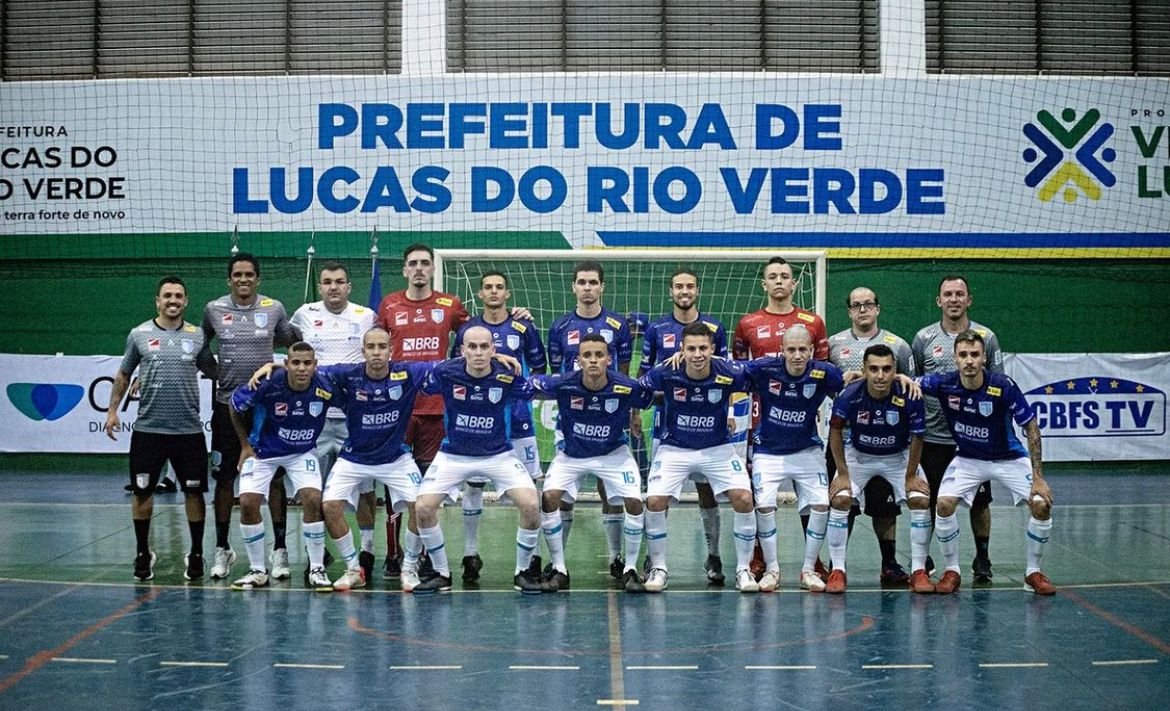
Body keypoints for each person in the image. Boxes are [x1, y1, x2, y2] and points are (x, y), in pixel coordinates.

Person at [916, 330, 1055, 595]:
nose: (969, 360)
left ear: (984, 359)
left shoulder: (1003, 385)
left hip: (1009, 458)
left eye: (975, 355)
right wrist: (861, 376)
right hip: (969, 459)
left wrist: (1038, 477)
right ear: (955, 359)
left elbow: (1031, 427)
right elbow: (900, 381)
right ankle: (952, 570)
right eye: (963, 355)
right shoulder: (943, 383)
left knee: (1041, 504)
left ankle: (1032, 572)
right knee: (943, 504)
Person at [410, 326, 544, 594]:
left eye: (485, 347)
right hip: (454, 454)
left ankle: (522, 572)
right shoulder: (447, 372)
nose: (479, 352)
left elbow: (541, 388)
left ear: (494, 350)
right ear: (463, 351)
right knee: (423, 508)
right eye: (472, 347)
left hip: (499, 454)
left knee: (531, 505)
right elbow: (412, 373)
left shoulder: (507, 375)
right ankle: (441, 573)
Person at [105, 276, 217, 581]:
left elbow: (214, 370)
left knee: (194, 494)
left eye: (179, 296)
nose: (173, 300)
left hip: (188, 432)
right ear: (157, 300)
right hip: (149, 432)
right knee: (143, 493)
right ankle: (143, 553)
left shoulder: (197, 336)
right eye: (167, 295)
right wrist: (112, 411)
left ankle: (196, 554)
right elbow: (123, 375)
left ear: (186, 301)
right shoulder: (139, 334)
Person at [638, 322, 758, 593]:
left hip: (717, 448)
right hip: (675, 448)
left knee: (744, 497)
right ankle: (658, 567)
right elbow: (636, 388)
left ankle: (743, 569)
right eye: (691, 348)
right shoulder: (667, 371)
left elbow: (761, 374)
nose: (698, 354)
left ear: (713, 349)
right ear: (681, 349)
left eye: (703, 348)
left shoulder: (729, 370)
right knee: (655, 500)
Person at [202, 253, 301, 581]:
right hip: (225, 406)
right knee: (225, 478)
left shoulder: (274, 309)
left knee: (273, 478)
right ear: (229, 279)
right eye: (237, 275)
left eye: (249, 275)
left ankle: (280, 550)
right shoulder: (214, 310)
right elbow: (198, 347)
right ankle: (222, 548)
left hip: (265, 408)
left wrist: (285, 373)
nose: (243, 280)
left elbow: (294, 342)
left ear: (258, 279)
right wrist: (216, 372)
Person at [531, 334, 655, 592]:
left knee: (633, 501)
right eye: (587, 355)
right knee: (550, 497)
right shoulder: (564, 383)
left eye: (599, 355)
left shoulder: (625, 385)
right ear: (578, 360)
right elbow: (527, 384)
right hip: (572, 455)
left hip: (613, 454)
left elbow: (651, 394)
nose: (593, 360)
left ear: (609, 359)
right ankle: (559, 568)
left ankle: (630, 569)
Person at [375, 243, 470, 578]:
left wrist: (515, 317)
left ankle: (425, 554)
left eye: (424, 264)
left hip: (436, 407)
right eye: (412, 263)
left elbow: (477, 333)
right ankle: (392, 553)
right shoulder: (389, 305)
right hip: (397, 407)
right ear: (404, 270)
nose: (418, 269)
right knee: (394, 483)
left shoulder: (450, 304)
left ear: (432, 269)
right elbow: (375, 347)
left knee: (430, 487)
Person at [732, 256, 830, 579]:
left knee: (812, 495)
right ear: (764, 283)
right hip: (762, 423)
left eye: (784, 276)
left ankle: (812, 561)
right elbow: (739, 375)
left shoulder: (812, 322)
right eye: (772, 276)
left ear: (794, 283)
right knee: (762, 496)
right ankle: (760, 557)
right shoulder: (747, 323)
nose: (778, 281)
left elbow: (824, 374)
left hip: (801, 421)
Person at [449, 270, 547, 583]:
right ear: (480, 294)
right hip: (479, 419)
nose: (493, 292)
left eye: (499, 287)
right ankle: (470, 553)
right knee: (473, 485)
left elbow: (540, 369)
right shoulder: (468, 329)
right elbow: (456, 366)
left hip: (517, 418)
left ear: (507, 293)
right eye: (488, 287)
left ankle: (533, 558)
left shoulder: (523, 325)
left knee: (533, 488)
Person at [639, 266, 731, 585]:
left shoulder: (715, 328)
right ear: (671, 292)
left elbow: (725, 373)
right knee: (658, 493)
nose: (684, 292)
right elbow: (643, 376)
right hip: (667, 423)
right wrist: (638, 412)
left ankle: (714, 555)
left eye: (689, 286)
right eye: (678, 286)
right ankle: (655, 557)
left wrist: (729, 409)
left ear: (697, 291)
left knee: (708, 491)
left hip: (709, 421)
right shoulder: (656, 328)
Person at [911, 276, 1003, 584]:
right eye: (947, 294)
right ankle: (926, 558)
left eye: (959, 294)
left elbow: (997, 386)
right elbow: (915, 387)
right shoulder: (923, 338)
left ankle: (983, 556)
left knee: (979, 502)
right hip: (934, 436)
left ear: (969, 300)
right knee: (932, 499)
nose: (953, 299)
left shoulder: (986, 337)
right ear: (938, 301)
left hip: (972, 439)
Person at [290, 261, 378, 580]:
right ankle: (318, 553)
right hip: (315, 419)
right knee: (312, 491)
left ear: (349, 286)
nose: (334, 287)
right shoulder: (304, 314)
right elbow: (292, 355)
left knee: (366, 489)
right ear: (320, 287)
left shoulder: (365, 315)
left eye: (340, 282)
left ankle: (366, 549)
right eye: (327, 282)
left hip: (355, 419)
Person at [739, 326, 844, 593]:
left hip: (807, 450)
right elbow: (729, 371)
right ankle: (773, 569)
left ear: (811, 351)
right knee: (763, 506)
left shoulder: (824, 373)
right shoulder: (764, 369)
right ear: (782, 350)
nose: (797, 355)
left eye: (803, 350)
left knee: (821, 504)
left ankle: (808, 569)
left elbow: (850, 387)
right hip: (768, 451)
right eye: (791, 350)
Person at [547, 260, 634, 578]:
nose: (587, 287)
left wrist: (628, 413)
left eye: (593, 282)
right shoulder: (559, 327)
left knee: (609, 487)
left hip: (609, 416)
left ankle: (615, 556)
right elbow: (557, 375)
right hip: (571, 419)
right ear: (574, 287)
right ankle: (559, 564)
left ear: (602, 287)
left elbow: (624, 375)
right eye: (581, 282)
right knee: (564, 493)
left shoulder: (617, 324)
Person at [827, 287, 916, 586]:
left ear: (878, 308)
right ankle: (837, 564)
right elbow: (827, 383)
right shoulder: (834, 344)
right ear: (849, 310)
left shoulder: (898, 346)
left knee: (885, 505)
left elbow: (911, 387)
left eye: (868, 304)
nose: (863, 310)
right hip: (847, 438)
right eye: (856, 305)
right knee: (843, 500)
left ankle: (889, 563)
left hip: (889, 439)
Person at [227, 342, 332, 590]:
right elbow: (234, 405)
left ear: (315, 365)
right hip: (263, 451)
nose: (302, 368)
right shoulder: (267, 383)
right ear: (287, 365)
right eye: (295, 362)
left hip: (302, 452)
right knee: (247, 502)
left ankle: (317, 568)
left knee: (312, 499)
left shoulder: (326, 384)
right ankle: (258, 570)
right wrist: (245, 446)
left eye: (307, 363)